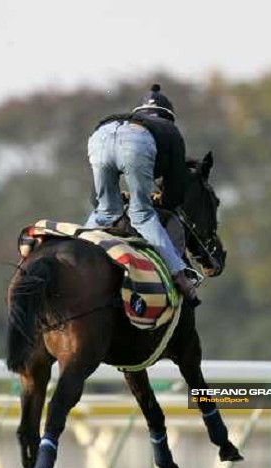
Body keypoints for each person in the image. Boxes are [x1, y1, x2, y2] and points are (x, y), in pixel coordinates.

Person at [85, 83, 199, 304]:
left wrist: (116, 199)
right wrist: (158, 199)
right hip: (135, 143)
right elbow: (174, 196)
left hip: (100, 135)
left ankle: (82, 247)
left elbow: (94, 198)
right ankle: (180, 276)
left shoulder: (126, 119)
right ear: (169, 117)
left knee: (104, 212)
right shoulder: (170, 131)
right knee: (142, 215)